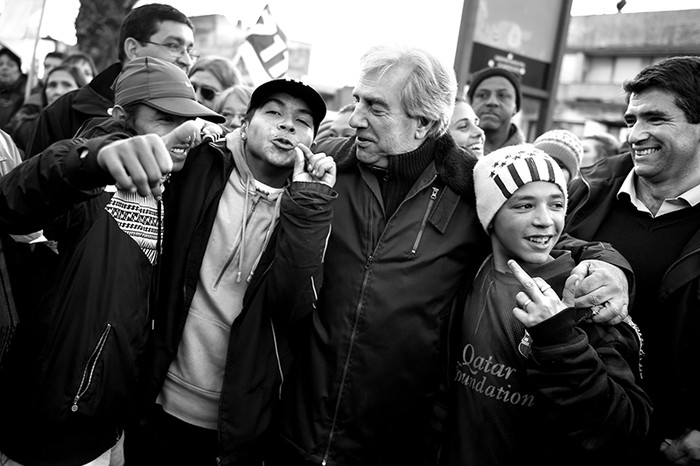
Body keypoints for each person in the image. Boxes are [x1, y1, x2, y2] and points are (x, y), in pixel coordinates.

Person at [269, 44, 632, 466]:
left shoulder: (471, 190)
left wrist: (607, 261)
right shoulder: (326, 169)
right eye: (356, 101)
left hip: (394, 447)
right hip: (296, 430)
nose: (355, 119)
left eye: (375, 107)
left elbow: (540, 235)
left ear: (423, 122)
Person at [0, 56, 224, 466]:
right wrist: (92, 160)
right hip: (51, 426)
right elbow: (12, 201)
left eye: (186, 117)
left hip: (112, 420)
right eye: (163, 116)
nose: (181, 130)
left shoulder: (170, 183)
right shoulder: (89, 179)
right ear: (121, 115)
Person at [125, 77, 335, 466]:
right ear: (245, 122)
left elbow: (293, 306)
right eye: (273, 112)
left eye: (302, 121)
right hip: (155, 396)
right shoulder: (201, 165)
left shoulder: (310, 204)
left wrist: (309, 203)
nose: (287, 125)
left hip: (234, 423)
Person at [446, 143, 651, 466]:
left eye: (556, 204)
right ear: (490, 216)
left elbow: (627, 427)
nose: (545, 220)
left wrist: (561, 340)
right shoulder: (470, 272)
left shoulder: (584, 289)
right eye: (524, 206)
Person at [565, 55, 700, 465]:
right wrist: (598, 259)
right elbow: (530, 249)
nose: (636, 135)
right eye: (630, 120)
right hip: (570, 429)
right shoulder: (585, 191)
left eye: (655, 119)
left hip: (670, 449)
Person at [25, 3, 198, 158]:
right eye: (173, 46)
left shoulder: (199, 119)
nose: (187, 60)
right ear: (133, 49)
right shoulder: (66, 110)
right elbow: (33, 183)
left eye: (190, 50)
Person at [6, 65, 88, 153]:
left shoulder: (91, 127)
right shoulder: (25, 129)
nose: (58, 91)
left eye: (67, 85)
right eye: (52, 85)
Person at [467, 66, 525, 155]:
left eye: (502, 95)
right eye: (482, 95)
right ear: (470, 103)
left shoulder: (530, 161)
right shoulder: (445, 156)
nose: (492, 102)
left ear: (516, 107)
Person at [0, 48, 27, 131]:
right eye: (0, 64)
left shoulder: (28, 93)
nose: (4, 68)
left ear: (19, 70)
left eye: (10, 65)